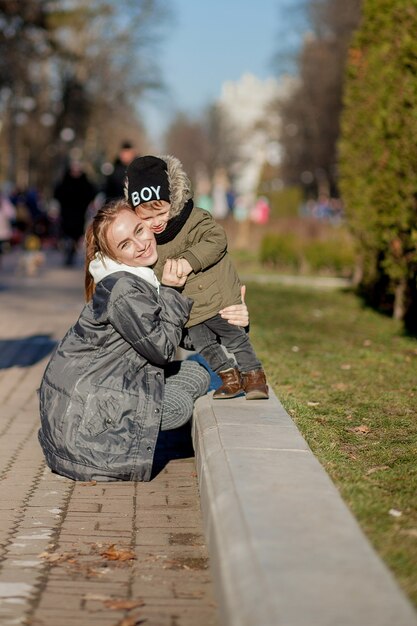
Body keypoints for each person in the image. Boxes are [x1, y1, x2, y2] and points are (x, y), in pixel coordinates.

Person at [38, 200, 249, 482]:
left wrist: (230, 321)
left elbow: (182, 336)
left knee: (198, 373)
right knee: (181, 401)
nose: (140, 244)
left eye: (139, 230)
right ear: (114, 256)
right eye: (125, 244)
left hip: (90, 407)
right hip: (87, 432)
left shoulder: (138, 277)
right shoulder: (123, 288)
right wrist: (173, 291)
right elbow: (162, 347)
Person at [125, 155, 269, 400]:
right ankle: (229, 377)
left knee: (234, 338)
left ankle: (254, 376)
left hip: (217, 296)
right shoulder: (149, 242)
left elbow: (217, 240)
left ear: (173, 200)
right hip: (192, 311)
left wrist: (188, 260)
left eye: (161, 213)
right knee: (205, 346)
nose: (156, 223)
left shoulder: (194, 218)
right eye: (146, 219)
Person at [54, 161, 97, 266]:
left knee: (76, 234)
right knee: (67, 233)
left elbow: (91, 193)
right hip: (66, 213)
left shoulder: (85, 182)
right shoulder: (65, 181)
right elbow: (57, 193)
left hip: (79, 213)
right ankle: (68, 249)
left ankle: (71, 251)